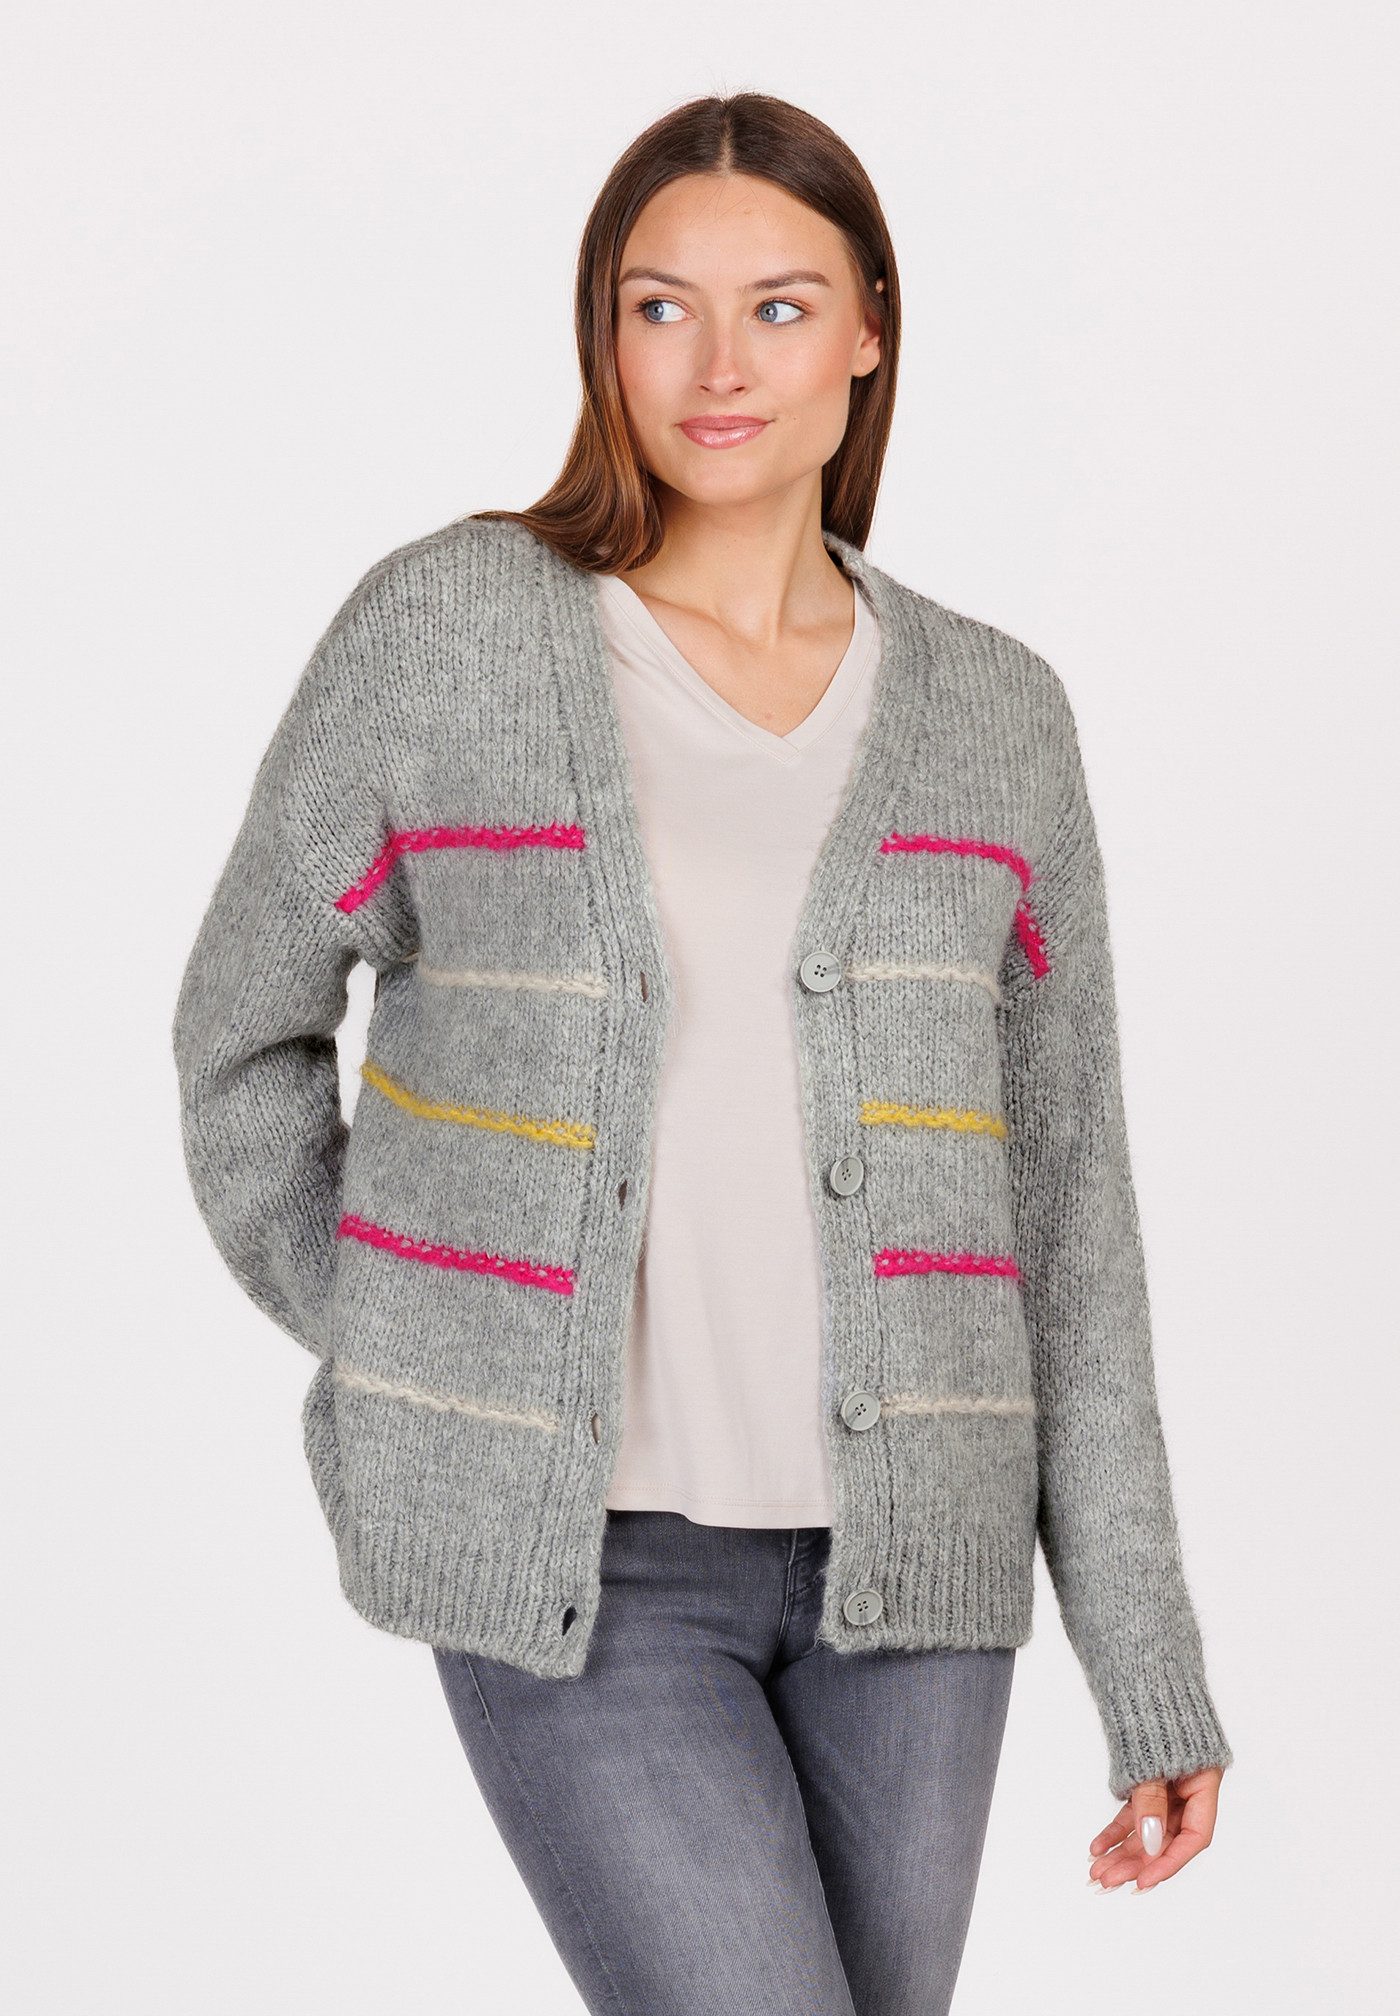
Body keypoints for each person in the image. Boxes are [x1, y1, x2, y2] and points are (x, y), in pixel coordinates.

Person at [171, 91, 1234, 2015]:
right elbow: (241, 1036)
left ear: (871, 331)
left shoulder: (999, 716)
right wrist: (426, 1337)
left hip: (919, 1578)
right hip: (583, 1568)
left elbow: (1071, 1209)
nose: (717, 365)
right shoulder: (447, 636)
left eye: (780, 307)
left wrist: (1145, 1655)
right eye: (660, 307)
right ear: (603, 330)